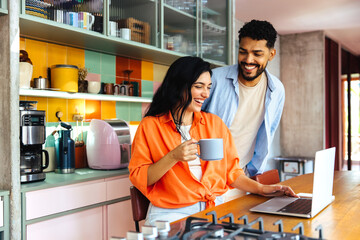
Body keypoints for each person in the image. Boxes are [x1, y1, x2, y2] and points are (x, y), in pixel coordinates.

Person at [128, 56, 297, 225]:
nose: (206, 94)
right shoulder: (150, 125)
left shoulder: (214, 124)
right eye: (199, 86)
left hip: (213, 209)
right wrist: (173, 157)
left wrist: (262, 189)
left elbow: (232, 173)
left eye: (208, 87)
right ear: (178, 86)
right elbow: (141, 178)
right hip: (170, 213)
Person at [202, 20, 284, 177]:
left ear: (271, 54)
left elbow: (269, 132)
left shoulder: (277, 90)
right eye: (243, 51)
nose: (248, 60)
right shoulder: (214, 79)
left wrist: (254, 170)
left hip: (242, 174)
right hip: (208, 175)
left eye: (257, 54)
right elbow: (188, 122)